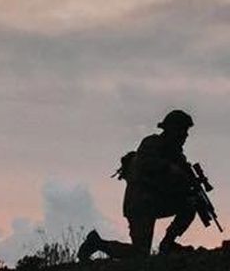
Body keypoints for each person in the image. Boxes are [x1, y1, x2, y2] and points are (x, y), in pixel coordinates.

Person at [77, 109, 198, 261]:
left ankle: (168, 244)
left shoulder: (177, 154)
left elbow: (176, 182)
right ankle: (97, 243)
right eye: (182, 131)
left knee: (190, 204)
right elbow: (147, 164)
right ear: (172, 130)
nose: (185, 135)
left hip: (156, 201)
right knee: (140, 256)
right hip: (140, 204)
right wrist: (169, 168)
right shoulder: (152, 143)